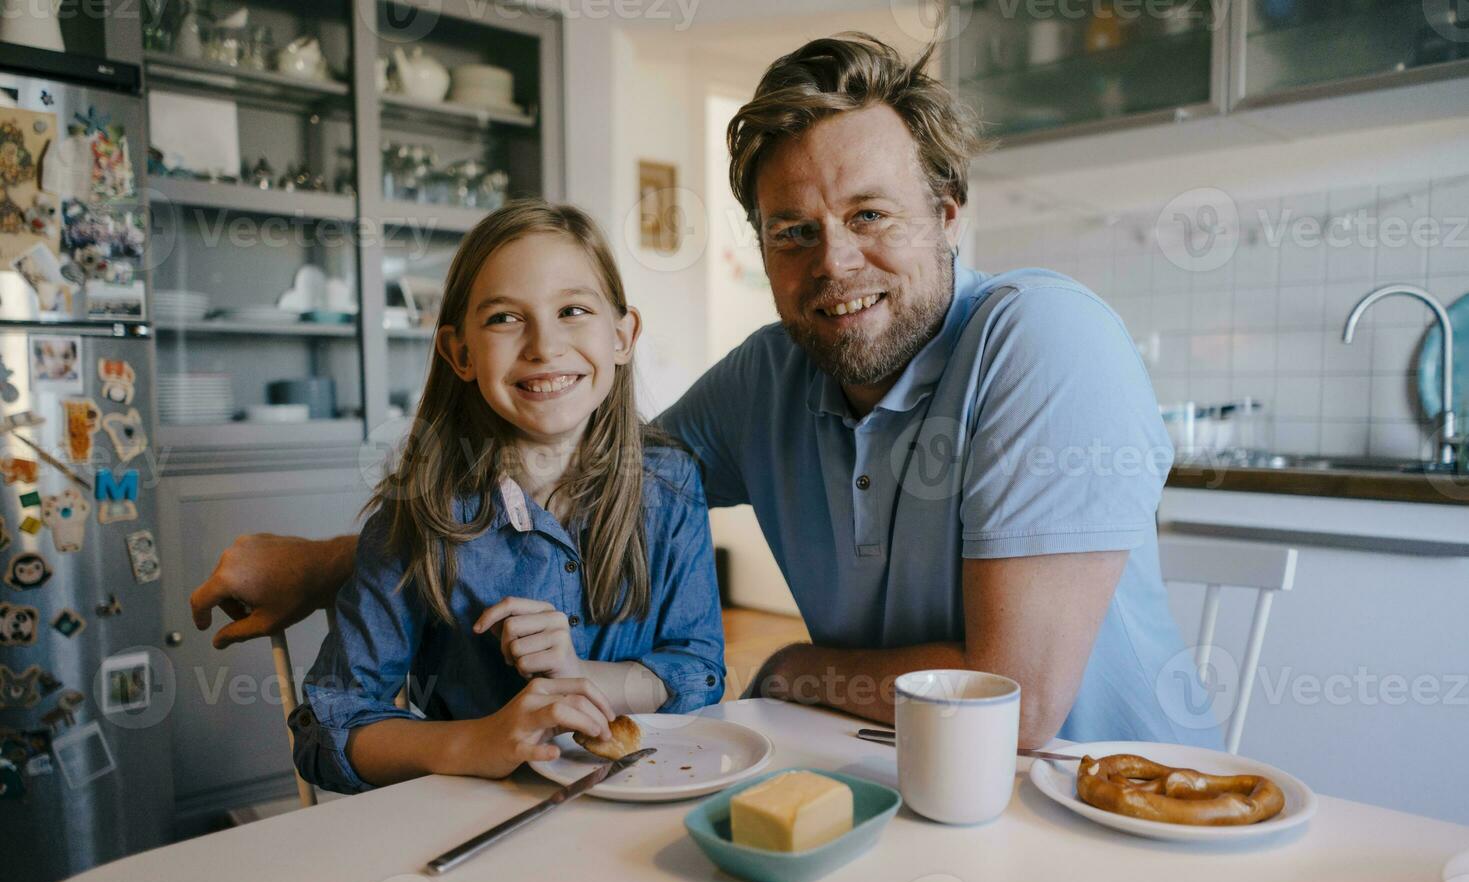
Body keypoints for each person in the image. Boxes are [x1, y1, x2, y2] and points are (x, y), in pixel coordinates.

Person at [193, 35, 1216, 751]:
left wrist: (784, 670)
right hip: (882, 775)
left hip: (1103, 810)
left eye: (871, 214)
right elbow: (574, 478)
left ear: (946, 212)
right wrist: (339, 562)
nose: (834, 262)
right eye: (792, 231)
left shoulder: (1042, 339)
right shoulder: (773, 370)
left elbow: (1014, 704)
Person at [287, 200, 724, 794]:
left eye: (573, 310)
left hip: (648, 801)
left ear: (622, 336)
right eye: (503, 319)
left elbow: (699, 671)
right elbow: (329, 729)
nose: (544, 346)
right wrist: (480, 740)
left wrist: (580, 675)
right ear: (460, 353)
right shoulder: (417, 514)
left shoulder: (670, 484)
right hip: (478, 817)